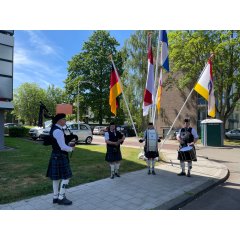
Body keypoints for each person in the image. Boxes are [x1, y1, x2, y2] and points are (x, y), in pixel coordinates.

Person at [46, 113, 75, 205]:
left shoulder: (55, 129)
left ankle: (55, 197)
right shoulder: (58, 131)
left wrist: (68, 144)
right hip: (60, 156)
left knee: (56, 179)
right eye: (64, 119)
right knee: (66, 177)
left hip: (55, 155)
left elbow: (59, 144)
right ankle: (61, 197)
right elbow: (62, 147)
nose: (65, 121)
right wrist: (71, 148)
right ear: (60, 120)